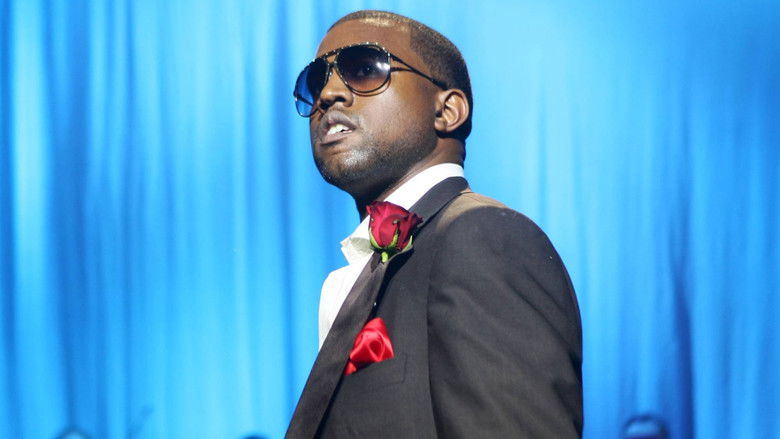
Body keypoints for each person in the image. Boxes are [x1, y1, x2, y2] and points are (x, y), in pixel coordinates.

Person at [286, 10, 582, 438]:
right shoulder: (375, 265)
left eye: (365, 69)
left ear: (448, 110)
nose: (328, 94)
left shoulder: (484, 238)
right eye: (315, 82)